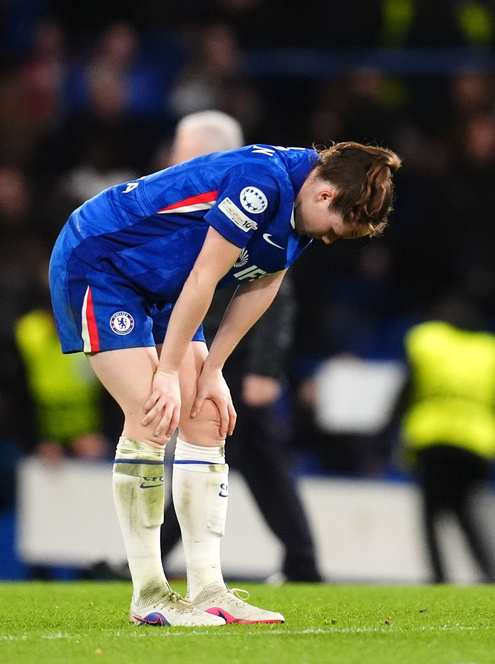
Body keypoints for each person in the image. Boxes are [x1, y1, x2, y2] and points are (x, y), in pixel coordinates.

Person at [49, 136, 400, 626]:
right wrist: (168, 372)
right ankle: (149, 592)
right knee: (153, 416)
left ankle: (208, 589)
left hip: (163, 284)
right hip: (103, 263)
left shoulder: (302, 207)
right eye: (337, 230)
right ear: (325, 196)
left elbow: (263, 284)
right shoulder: (261, 184)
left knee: (210, 419)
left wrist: (212, 370)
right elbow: (204, 282)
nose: (328, 239)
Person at [157, 110, 322, 584]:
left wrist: (264, 370)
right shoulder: (203, 198)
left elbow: (277, 290)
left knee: (243, 463)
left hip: (237, 363)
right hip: (211, 355)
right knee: (226, 462)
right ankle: (301, 561)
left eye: (181, 149)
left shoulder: (254, 198)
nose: (173, 159)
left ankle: (302, 561)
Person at [399, 300, 495, 583]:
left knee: (430, 514)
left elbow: (408, 390)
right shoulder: (491, 351)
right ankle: (492, 573)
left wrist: (390, 433)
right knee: (463, 510)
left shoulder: (428, 341)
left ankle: (439, 577)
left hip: (434, 438)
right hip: (477, 442)